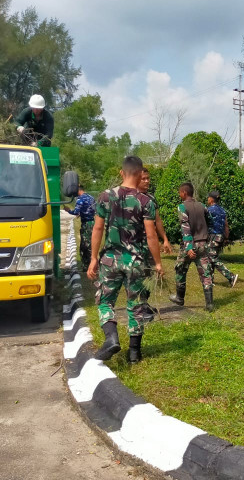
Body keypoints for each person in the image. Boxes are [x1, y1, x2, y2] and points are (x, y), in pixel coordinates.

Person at [87, 156, 163, 363]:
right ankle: (134, 353)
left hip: (110, 260)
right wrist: (157, 263)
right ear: (140, 174)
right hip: (136, 262)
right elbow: (151, 235)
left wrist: (93, 258)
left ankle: (111, 338)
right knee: (136, 305)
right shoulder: (146, 201)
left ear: (122, 172)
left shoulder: (105, 196)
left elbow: (97, 228)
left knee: (105, 301)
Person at [168, 182, 215, 312]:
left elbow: (185, 228)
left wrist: (189, 247)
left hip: (190, 245)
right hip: (203, 244)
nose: (179, 195)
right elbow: (210, 220)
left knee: (180, 269)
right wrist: (208, 237)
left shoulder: (182, 207)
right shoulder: (202, 206)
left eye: (180, 192)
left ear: (184, 193)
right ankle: (210, 304)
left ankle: (179, 297)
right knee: (205, 273)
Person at [206, 191, 239, 287]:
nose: (207, 199)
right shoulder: (222, 210)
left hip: (213, 236)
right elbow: (226, 225)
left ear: (211, 199)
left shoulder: (209, 210)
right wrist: (226, 238)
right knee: (211, 257)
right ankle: (210, 280)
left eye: (208, 198)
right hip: (221, 237)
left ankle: (231, 276)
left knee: (212, 258)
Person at [139, 169, 173, 255]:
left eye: (148, 178)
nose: (147, 181)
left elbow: (158, 220)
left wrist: (165, 239)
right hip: (135, 244)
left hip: (150, 243)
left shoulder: (151, 198)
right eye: (143, 179)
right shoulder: (130, 197)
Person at [63, 185, 96, 269]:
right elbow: (92, 210)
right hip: (93, 223)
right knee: (92, 243)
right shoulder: (91, 197)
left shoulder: (80, 199)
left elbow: (75, 212)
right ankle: (92, 263)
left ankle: (87, 265)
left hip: (86, 224)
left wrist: (68, 210)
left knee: (84, 246)